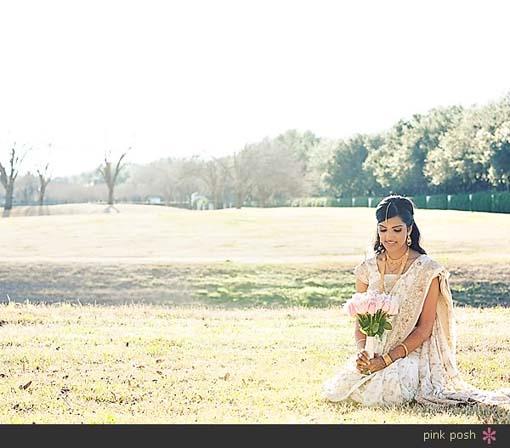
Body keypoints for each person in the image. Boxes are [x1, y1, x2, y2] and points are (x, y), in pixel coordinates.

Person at [322, 194, 510, 407]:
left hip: (409, 353)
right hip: (374, 351)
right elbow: (360, 322)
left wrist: (385, 360)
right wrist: (363, 353)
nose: (388, 237)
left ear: (409, 229)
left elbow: (424, 329)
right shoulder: (367, 269)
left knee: (390, 389)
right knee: (345, 386)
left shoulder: (427, 270)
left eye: (396, 230)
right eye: (382, 229)